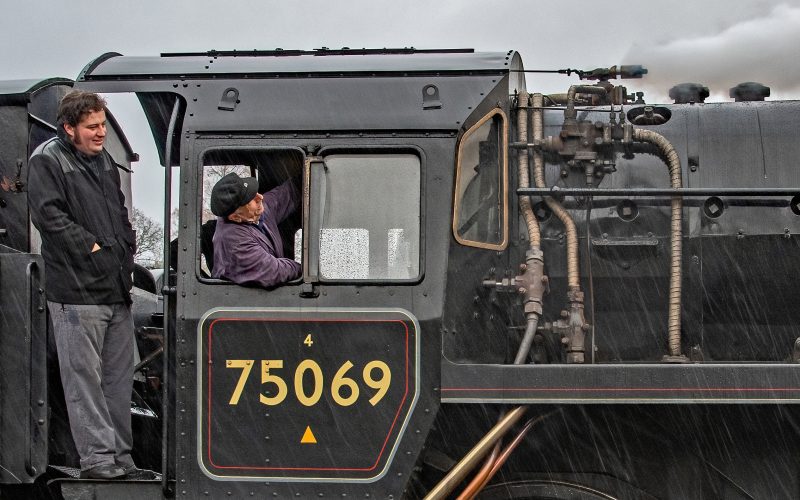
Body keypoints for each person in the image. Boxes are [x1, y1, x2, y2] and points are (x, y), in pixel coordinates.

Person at [28, 90, 150, 480]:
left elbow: (120, 215)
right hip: (76, 293)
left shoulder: (106, 163)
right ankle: (98, 461)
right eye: (92, 127)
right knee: (84, 383)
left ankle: (121, 459)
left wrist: (125, 250)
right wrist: (94, 248)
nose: (100, 133)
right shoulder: (47, 160)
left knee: (118, 382)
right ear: (69, 128)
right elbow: (49, 218)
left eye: (102, 125)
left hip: (115, 291)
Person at [210, 172, 301, 287]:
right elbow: (273, 271)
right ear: (235, 217)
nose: (260, 197)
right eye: (251, 199)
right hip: (241, 302)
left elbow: (288, 193)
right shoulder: (233, 241)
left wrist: (306, 176)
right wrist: (307, 271)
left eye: (254, 193)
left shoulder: (253, 212)